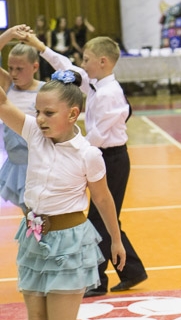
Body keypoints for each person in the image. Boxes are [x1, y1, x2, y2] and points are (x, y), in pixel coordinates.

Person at [0, 69, 134, 320]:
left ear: (73, 114)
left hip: (69, 243)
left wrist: (116, 240)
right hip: (34, 238)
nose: (40, 119)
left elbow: (102, 199)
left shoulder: (88, 154)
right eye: (38, 112)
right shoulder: (33, 132)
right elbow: (2, 103)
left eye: (49, 113)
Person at [25, 33, 149, 296]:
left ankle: (98, 280)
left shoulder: (109, 94)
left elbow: (97, 137)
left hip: (110, 158)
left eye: (86, 59)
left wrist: (68, 150)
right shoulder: (95, 84)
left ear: (102, 62)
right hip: (100, 156)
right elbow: (65, 66)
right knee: (104, 219)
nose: (82, 64)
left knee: (99, 219)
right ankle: (132, 270)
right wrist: (40, 46)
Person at [0, 25, 44, 212]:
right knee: (28, 214)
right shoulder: (7, 84)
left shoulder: (44, 90)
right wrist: (9, 34)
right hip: (16, 163)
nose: (14, 73)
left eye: (19, 69)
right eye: (10, 68)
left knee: (42, 212)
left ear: (35, 67)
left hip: (39, 163)